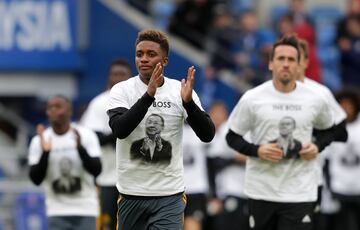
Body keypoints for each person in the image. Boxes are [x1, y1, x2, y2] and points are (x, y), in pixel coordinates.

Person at [107, 29, 215, 230]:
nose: (144, 59)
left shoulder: (179, 90)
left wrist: (189, 103)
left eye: (151, 54)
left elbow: (207, 135)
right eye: (140, 54)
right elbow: (120, 130)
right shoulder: (122, 90)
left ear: (164, 61)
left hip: (169, 196)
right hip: (131, 194)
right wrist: (148, 96)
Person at [226, 35, 334, 230]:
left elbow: (330, 130)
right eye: (281, 59)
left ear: (299, 64)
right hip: (261, 190)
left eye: (291, 59)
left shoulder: (315, 99)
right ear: (271, 63)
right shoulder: (252, 98)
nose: (286, 64)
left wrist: (317, 146)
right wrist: (257, 150)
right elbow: (231, 136)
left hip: (300, 192)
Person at [28, 95, 102, 230]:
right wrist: (45, 153)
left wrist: (80, 149)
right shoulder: (39, 140)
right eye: (50, 107)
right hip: (56, 211)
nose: (53, 110)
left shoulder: (86, 135)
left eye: (58, 106)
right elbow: (36, 179)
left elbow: (97, 170)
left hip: (86, 209)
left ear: (69, 111)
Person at [80, 59, 132, 230]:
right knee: (106, 225)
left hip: (135, 178)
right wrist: (120, 132)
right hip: (108, 177)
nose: (118, 78)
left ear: (129, 76)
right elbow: (91, 137)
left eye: (122, 74)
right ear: (109, 77)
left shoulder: (138, 100)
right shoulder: (99, 103)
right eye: (115, 74)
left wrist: (112, 134)